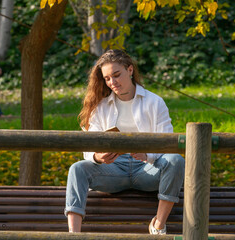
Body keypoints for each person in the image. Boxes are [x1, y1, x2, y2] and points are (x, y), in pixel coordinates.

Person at [64, 49, 185, 235]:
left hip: (147, 169)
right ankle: (74, 235)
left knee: (176, 160)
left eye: (116, 75)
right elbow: (89, 148)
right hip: (113, 170)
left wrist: (147, 155)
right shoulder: (101, 106)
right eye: (107, 78)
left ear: (130, 70)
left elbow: (167, 145)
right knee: (77, 169)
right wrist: (98, 157)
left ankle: (158, 225)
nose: (112, 82)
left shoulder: (155, 102)